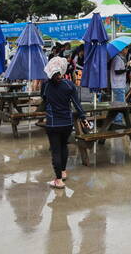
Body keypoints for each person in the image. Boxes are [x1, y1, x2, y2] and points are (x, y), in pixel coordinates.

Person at [41, 57, 88, 189]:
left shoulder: (46, 85)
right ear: (62, 70)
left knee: (56, 150)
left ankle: (58, 180)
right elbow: (77, 104)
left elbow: (43, 98)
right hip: (67, 123)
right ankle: (63, 171)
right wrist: (83, 118)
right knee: (63, 146)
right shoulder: (69, 84)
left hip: (53, 123)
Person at [110, 49, 128, 124]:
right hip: (118, 85)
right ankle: (118, 120)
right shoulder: (117, 59)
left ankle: (117, 119)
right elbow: (117, 71)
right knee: (120, 104)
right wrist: (125, 70)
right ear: (123, 49)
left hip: (118, 84)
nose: (127, 51)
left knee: (117, 103)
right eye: (126, 49)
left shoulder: (117, 58)